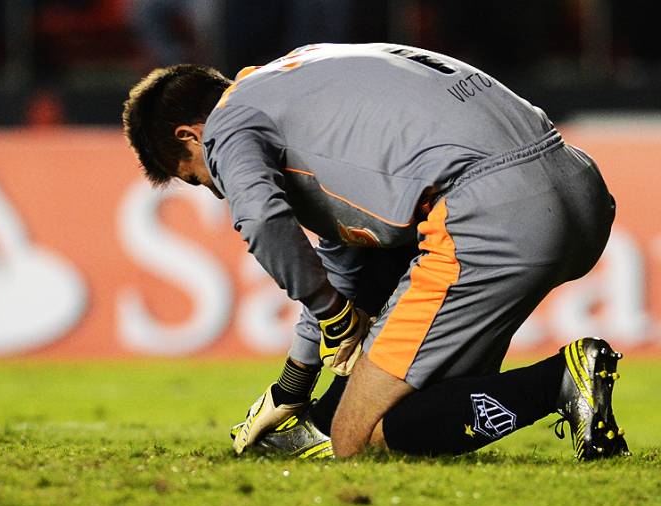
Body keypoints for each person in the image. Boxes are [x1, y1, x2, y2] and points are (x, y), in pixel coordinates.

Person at [121, 43, 629, 460]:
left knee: (358, 439)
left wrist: (331, 313)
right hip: (576, 183)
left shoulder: (230, 122)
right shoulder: (299, 73)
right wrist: (291, 387)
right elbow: (344, 257)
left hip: (491, 213)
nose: (218, 188)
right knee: (424, 400)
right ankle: (320, 418)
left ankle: (560, 381)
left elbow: (261, 219)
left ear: (190, 134)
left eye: (200, 177)